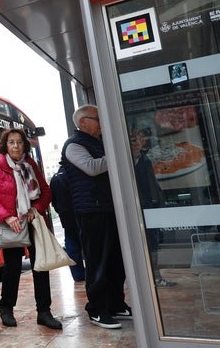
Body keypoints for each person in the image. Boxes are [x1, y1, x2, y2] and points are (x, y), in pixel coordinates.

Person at [0, 127, 62, 330]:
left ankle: (44, 312)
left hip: (31, 221)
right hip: (10, 223)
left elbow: (46, 191)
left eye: (19, 142)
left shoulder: (30, 164)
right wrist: (6, 217)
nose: (16, 146)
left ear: (25, 145)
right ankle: (6, 309)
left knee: (39, 265)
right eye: (11, 142)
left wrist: (37, 208)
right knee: (12, 267)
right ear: (5, 146)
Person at [61, 104, 131, 330]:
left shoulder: (99, 143)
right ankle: (97, 310)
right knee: (97, 262)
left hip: (109, 208)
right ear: (83, 123)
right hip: (91, 211)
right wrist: (117, 153)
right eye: (98, 118)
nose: (102, 122)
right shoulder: (73, 145)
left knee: (115, 261)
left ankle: (116, 304)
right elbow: (91, 167)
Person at [129, 133, 176, 288]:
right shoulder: (130, 159)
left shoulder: (143, 157)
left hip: (150, 204)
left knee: (153, 242)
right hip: (142, 206)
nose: (138, 142)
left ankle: (155, 276)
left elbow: (151, 182)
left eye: (138, 139)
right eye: (133, 140)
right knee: (148, 243)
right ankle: (151, 278)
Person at [49, 165, 86, 282]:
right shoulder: (75, 175)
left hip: (66, 216)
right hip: (80, 212)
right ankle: (92, 272)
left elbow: (53, 201)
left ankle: (77, 274)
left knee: (71, 245)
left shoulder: (55, 178)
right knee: (86, 242)